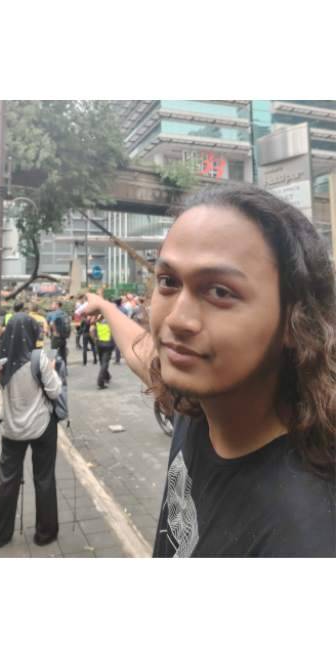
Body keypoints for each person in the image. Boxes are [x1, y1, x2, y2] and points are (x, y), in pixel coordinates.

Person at [83, 183, 336, 557]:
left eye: (220, 291)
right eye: (168, 282)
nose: (177, 320)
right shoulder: (200, 405)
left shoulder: (304, 535)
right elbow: (145, 353)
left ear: (294, 320)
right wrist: (104, 307)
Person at [0, 311, 63, 549]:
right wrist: (53, 368)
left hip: (12, 430)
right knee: (44, 478)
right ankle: (45, 534)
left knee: (7, 479)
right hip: (42, 427)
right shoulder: (39, 359)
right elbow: (55, 391)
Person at [91, 313, 116, 389]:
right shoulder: (111, 323)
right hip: (108, 345)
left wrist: (94, 339)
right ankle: (100, 381)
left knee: (102, 362)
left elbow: (91, 330)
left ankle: (107, 376)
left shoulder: (97, 322)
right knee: (104, 363)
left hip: (99, 344)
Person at [48, 300, 71, 367]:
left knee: (53, 354)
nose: (51, 306)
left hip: (56, 337)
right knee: (63, 354)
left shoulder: (55, 313)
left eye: (52, 304)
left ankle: (52, 371)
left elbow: (51, 323)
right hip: (63, 337)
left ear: (57, 305)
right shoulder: (64, 313)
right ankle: (65, 369)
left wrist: (55, 332)